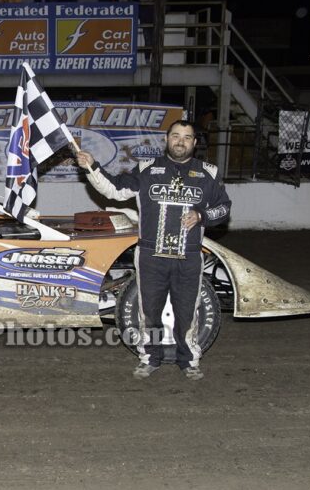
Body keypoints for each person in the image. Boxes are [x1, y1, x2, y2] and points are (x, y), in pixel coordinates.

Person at [75, 120, 231, 381]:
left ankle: (189, 360)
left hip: (189, 256)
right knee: (149, 312)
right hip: (150, 256)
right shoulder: (147, 169)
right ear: (167, 139)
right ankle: (150, 358)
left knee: (186, 312)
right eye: (175, 136)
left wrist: (202, 215)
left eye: (187, 137)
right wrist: (92, 166)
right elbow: (113, 189)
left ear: (194, 143)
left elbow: (224, 208)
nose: (180, 141)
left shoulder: (209, 173)